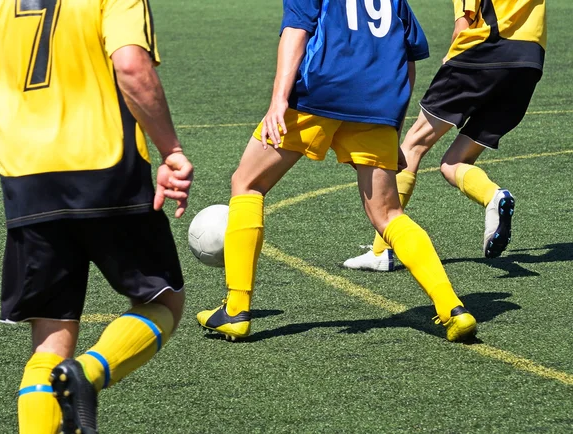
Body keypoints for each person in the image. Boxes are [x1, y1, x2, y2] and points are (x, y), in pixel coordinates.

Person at [197, 0, 477, 344]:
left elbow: (296, 31)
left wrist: (278, 100)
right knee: (388, 214)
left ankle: (236, 309)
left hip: (320, 93)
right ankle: (452, 308)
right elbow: (408, 57)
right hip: (379, 102)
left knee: (248, 183)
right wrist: (394, 128)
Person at [0, 0, 193, 433]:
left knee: (49, 343)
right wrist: (172, 151)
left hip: (27, 181)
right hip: (106, 170)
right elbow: (130, 66)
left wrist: (27, 145)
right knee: (163, 300)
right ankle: (89, 376)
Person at [343, 0, 546, 271]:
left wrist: (453, 56)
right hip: (530, 61)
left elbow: (465, 18)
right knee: (454, 161)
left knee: (412, 146)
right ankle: (493, 196)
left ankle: (384, 250)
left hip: (483, 52)